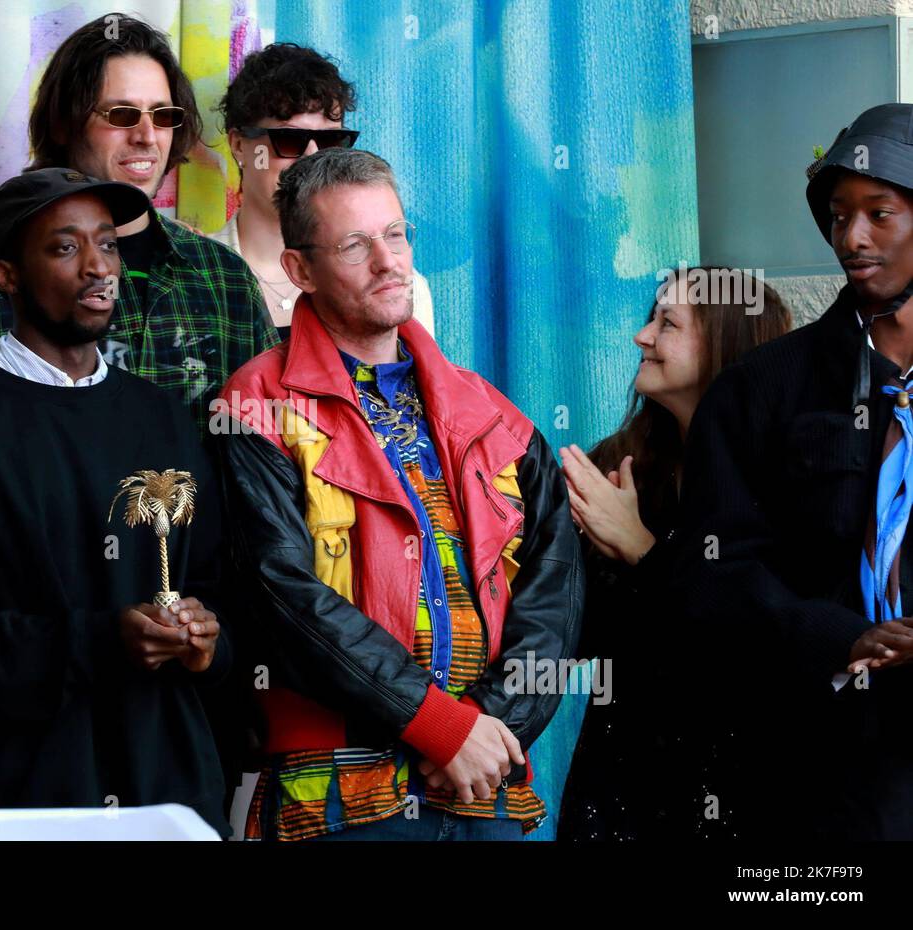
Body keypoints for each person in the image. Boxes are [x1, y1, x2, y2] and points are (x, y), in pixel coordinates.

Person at [217, 147, 583, 841]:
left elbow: (554, 597)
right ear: (299, 270)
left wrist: (492, 728)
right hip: (336, 795)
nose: (390, 262)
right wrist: (440, 727)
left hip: (482, 784)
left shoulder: (495, 416)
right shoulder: (255, 402)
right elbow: (279, 595)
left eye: (396, 235)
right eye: (355, 245)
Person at [0, 168, 232, 834]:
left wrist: (207, 641)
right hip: (21, 801)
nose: (99, 267)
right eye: (65, 247)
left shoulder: (164, 419)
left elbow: (221, 590)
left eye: (107, 244)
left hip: (171, 793)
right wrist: (100, 641)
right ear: (6, 275)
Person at [676, 103, 913, 840]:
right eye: (839, 216)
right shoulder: (761, 388)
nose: (853, 237)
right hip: (822, 764)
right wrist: (837, 637)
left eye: (880, 213)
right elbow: (715, 570)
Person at [0, 13, 277, 437]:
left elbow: (269, 455)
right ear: (66, 123)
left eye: (162, 115)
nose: (146, 135)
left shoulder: (225, 280)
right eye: (121, 115)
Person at [556, 266, 791, 841]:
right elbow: (583, 642)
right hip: (622, 777)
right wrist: (568, 553)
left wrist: (639, 546)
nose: (642, 336)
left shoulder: (789, 476)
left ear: (726, 344)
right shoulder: (621, 462)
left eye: (667, 324)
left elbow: (755, 632)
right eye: (649, 319)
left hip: (743, 780)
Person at [214, 42, 435, 337]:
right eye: (290, 139)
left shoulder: (397, 286)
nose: (312, 157)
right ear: (239, 145)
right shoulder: (191, 276)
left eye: (331, 142)